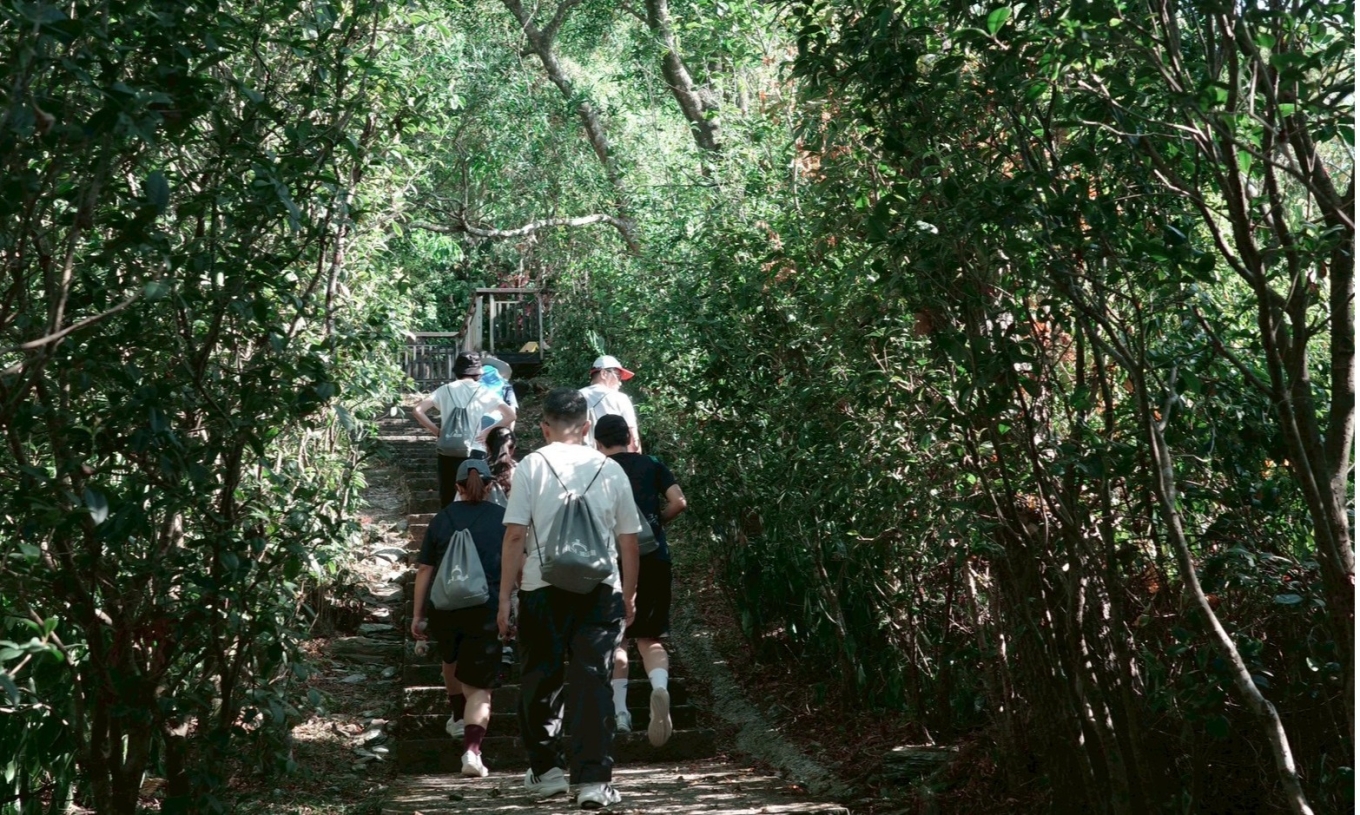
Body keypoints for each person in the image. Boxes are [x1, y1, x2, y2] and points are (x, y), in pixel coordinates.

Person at [498, 388, 640, 810]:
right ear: (587, 427)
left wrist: (504, 597)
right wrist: (629, 595)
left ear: (544, 427)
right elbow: (629, 541)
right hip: (601, 588)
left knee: (539, 677)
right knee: (592, 680)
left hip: (541, 587)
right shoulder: (611, 469)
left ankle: (547, 772)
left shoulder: (531, 466)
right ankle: (593, 781)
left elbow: (515, 535)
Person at [593, 414, 687, 748]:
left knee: (618, 639)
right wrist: (656, 524)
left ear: (598, 443)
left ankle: (620, 712)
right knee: (651, 637)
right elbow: (679, 502)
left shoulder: (597, 469)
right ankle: (659, 688)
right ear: (630, 437)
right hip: (655, 557)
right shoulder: (652, 464)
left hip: (612, 560)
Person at [410, 459, 506, 779]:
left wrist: (418, 614)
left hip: (444, 607)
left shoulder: (442, 518)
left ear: (457, 486)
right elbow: (516, 562)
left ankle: (457, 716)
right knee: (479, 686)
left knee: (450, 658)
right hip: (486, 607)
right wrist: (511, 601)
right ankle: (472, 752)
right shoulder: (502, 518)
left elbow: (424, 569)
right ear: (490, 486)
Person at [412, 351, 517, 507]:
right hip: (475, 449)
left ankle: (449, 521)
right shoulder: (484, 392)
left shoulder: (445, 389)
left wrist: (438, 432)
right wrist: (487, 431)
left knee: (448, 496)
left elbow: (417, 410)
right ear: (478, 373)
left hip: (448, 449)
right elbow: (510, 415)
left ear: (457, 371)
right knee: (476, 495)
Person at [579, 354, 640, 453]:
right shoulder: (620, 398)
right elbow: (634, 441)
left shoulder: (576, 396)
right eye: (618, 376)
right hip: (612, 459)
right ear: (604, 373)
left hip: (581, 458)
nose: (620, 383)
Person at [480, 356, 519, 432]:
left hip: (475, 420)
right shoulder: (505, 385)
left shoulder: (473, 384)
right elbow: (512, 410)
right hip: (498, 422)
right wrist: (510, 432)